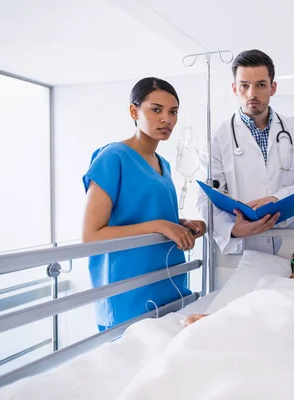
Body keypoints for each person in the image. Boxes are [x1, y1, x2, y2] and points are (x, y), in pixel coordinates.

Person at [82, 77, 206, 330]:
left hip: (167, 284)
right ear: (133, 111)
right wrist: (160, 225)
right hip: (128, 291)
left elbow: (144, 215)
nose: (166, 119)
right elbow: (91, 235)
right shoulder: (112, 157)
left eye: (173, 112)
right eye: (156, 109)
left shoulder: (164, 164)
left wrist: (180, 225)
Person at [196, 49, 294, 255]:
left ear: (273, 88)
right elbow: (205, 198)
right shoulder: (217, 138)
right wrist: (231, 229)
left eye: (260, 85)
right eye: (244, 85)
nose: (252, 94)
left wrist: (277, 198)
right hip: (242, 250)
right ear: (235, 88)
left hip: (289, 245)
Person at [183, 240, 294, 328]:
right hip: (257, 326)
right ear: (292, 272)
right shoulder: (272, 282)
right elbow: (246, 307)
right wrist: (213, 319)